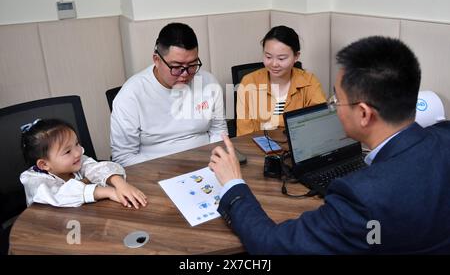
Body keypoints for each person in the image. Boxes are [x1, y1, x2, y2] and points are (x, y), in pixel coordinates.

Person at [209, 36, 450, 254]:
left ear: (364, 114)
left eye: (336, 101)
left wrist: (233, 185)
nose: (332, 108)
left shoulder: (360, 197)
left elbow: (272, 245)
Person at [111, 23, 227, 167]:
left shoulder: (209, 82)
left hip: (205, 165)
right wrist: (170, 169)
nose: (185, 74)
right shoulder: (131, 95)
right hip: (154, 170)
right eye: (176, 67)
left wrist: (214, 161)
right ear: (157, 60)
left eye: (192, 65)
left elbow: (218, 131)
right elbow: (124, 157)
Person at [20, 119, 147, 209]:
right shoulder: (34, 181)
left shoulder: (75, 161)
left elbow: (96, 168)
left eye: (76, 144)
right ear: (44, 165)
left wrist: (120, 185)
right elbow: (61, 195)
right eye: (67, 151)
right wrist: (109, 192)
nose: (77, 152)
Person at [236, 25, 326, 136]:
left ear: (296, 56)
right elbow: (244, 134)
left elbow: (318, 123)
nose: (274, 64)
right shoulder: (249, 82)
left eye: (281, 58)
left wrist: (273, 123)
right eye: (268, 57)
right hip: (258, 148)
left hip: (297, 149)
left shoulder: (309, 82)